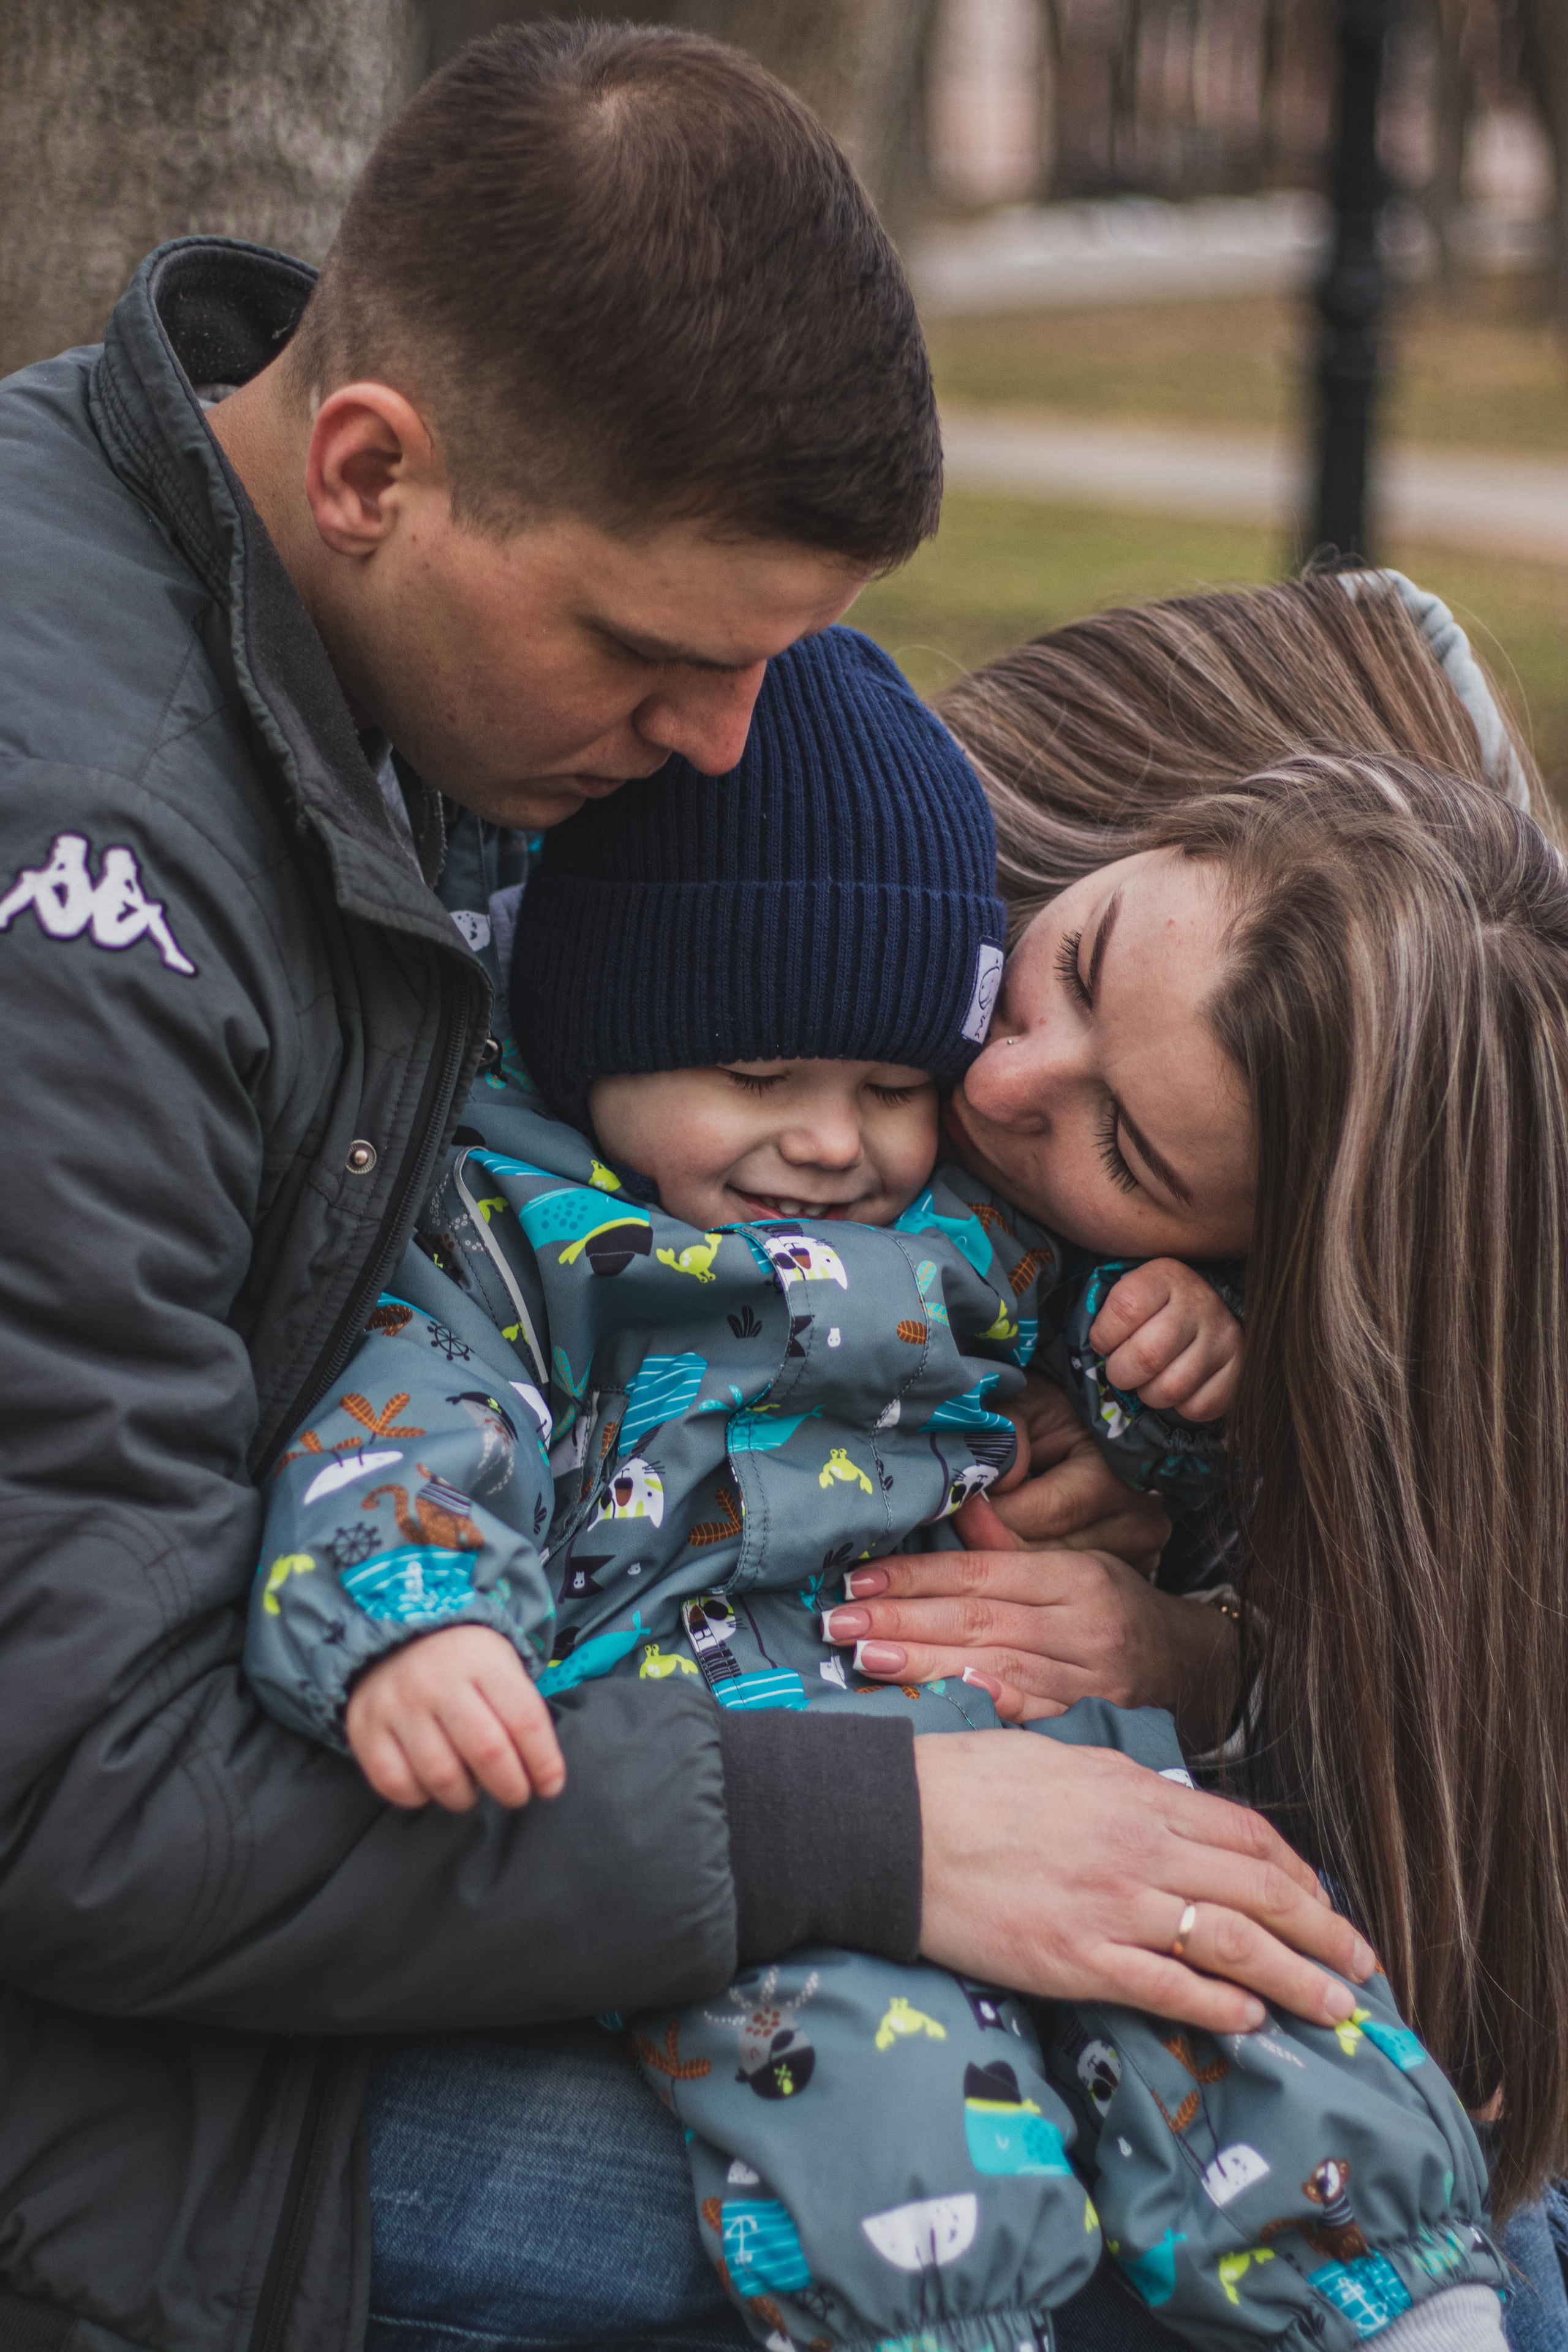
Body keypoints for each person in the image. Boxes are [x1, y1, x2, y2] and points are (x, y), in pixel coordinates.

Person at [0, 24, 1360, 2352]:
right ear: (368, 469)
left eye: (773, 669)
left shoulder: (409, 668)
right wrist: (886, 1840)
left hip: (464, 1825)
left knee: (1437, 2179)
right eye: (660, 659)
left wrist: (1115, 1501)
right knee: (1143, 2275)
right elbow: (83, 1813)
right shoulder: (88, 886)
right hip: (149, 2083)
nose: (721, 756)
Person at [246, 620, 1503, 2352]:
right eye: (1058, 978)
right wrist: (415, 1616)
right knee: (876, 2095)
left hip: (1036, 1751)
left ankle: (1409, 2298)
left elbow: (1066, 1423)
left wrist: (1167, 1419)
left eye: (894, 1083)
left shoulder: (960, 1221)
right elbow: (413, 1407)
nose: (903, 1115)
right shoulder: (536, 1226)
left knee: (1253, 1978)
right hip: (739, 1778)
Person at [821, 573, 1568, 2246]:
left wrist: (1194, 1640)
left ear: (1261, 1275)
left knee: (1474, 2218)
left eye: (1129, 1158)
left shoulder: (1391, 1276)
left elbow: (1454, 1781)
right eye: (1074, 966)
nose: (1008, 1082)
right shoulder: (890, 832)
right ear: (1159, 829)